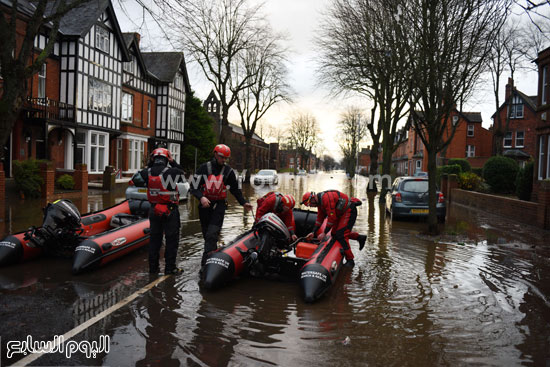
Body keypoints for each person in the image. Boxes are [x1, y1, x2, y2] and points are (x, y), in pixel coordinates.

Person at [190, 144, 253, 266]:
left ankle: (206, 263)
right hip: (204, 206)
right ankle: (212, 254)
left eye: (226, 158)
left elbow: (235, 189)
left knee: (212, 233)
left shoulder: (228, 172)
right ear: (215, 154)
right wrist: (201, 197)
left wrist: (243, 202)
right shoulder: (204, 168)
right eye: (221, 157)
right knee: (207, 235)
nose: (223, 160)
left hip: (219, 206)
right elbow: (193, 187)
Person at [138, 147, 185, 275]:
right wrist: (173, 161)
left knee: (154, 241)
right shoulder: (172, 171)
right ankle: (170, 268)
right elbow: (183, 175)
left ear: (153, 158)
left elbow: (137, 180)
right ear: (166, 159)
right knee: (171, 240)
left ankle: (153, 269)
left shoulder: (145, 172)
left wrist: (150, 164)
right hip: (169, 211)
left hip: (154, 210)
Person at [301, 190, 366, 267]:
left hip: (348, 210)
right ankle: (359, 237)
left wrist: (324, 232)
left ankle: (350, 260)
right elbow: (319, 219)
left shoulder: (326, 199)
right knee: (334, 234)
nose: (311, 206)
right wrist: (313, 232)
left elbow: (332, 218)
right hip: (341, 213)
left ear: (313, 199)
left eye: (309, 204)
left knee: (341, 235)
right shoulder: (320, 204)